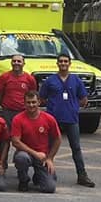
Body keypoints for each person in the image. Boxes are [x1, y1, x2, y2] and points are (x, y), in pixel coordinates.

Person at [39, 53, 95, 188]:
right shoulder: (50, 80)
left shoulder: (76, 80)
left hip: (71, 119)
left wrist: (72, 107)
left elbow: (83, 100)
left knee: (76, 148)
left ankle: (82, 175)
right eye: (61, 61)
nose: (63, 64)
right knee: (48, 147)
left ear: (70, 64)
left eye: (65, 61)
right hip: (53, 120)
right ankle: (44, 173)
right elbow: (42, 98)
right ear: (57, 64)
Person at [11, 91, 61, 193]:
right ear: (24, 103)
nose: (31, 105)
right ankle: (23, 180)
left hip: (43, 157)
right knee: (21, 158)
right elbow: (15, 142)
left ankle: (38, 176)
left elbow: (57, 139)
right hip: (26, 154)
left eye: (34, 102)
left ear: (39, 102)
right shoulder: (18, 119)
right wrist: (35, 153)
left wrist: (50, 158)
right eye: (28, 102)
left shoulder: (49, 119)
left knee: (49, 188)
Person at [0, 54, 37, 133]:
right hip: (7, 112)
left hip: (23, 111)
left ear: (23, 63)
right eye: (14, 61)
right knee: (6, 137)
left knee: (23, 135)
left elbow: (32, 94)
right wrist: (2, 105)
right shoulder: (4, 77)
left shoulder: (30, 78)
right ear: (11, 63)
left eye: (19, 61)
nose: (16, 63)